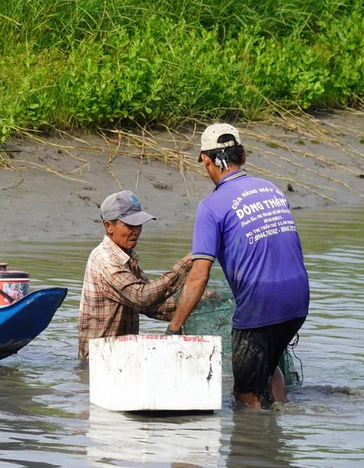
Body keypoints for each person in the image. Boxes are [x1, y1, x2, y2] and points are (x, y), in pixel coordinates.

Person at [166, 123, 310, 409]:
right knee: (268, 364)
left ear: (206, 160)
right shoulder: (272, 190)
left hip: (260, 303)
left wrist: (174, 327)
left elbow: (199, 275)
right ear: (242, 157)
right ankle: (282, 423)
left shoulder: (211, 206)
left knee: (245, 396)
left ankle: (255, 435)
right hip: (298, 299)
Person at [77, 190, 192, 360]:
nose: (137, 231)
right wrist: (184, 267)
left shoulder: (127, 257)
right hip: (98, 361)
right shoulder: (105, 259)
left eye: (139, 225)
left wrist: (193, 303)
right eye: (130, 225)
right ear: (109, 226)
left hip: (120, 356)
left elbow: (153, 305)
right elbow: (142, 297)